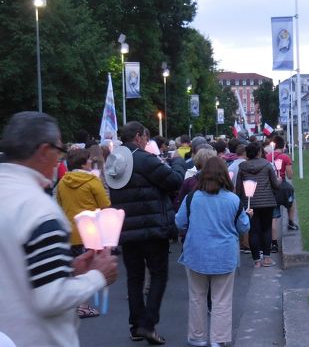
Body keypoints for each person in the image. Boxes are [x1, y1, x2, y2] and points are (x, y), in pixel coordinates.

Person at [0, 112, 118, 347]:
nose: (59, 159)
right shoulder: (39, 209)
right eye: (59, 150)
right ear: (44, 151)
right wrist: (97, 277)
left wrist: (67, 272)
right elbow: (50, 298)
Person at [105, 121, 185, 344]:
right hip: (152, 227)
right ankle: (148, 324)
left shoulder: (113, 160)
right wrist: (177, 163)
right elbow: (174, 181)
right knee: (158, 275)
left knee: (135, 277)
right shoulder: (143, 159)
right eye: (146, 138)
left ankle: (136, 325)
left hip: (128, 228)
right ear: (139, 136)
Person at [175, 157, 252, 347]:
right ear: (225, 175)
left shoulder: (191, 198)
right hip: (224, 255)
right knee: (222, 300)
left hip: (195, 253)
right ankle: (219, 338)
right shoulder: (233, 200)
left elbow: (179, 222)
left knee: (197, 296)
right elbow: (243, 227)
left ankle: (197, 336)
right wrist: (248, 216)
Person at [55, 148, 112, 318]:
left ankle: (76, 303)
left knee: (74, 268)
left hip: (70, 231)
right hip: (90, 231)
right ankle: (84, 305)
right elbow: (105, 204)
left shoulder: (62, 182)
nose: (90, 162)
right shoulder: (93, 181)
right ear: (83, 163)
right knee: (89, 268)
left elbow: (58, 203)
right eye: (88, 160)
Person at [236, 142, 281, 267]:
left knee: (253, 231)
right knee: (266, 229)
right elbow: (276, 185)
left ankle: (256, 260)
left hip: (250, 203)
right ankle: (266, 258)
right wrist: (279, 181)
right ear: (259, 152)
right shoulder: (267, 165)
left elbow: (238, 188)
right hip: (267, 202)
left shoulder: (242, 167)